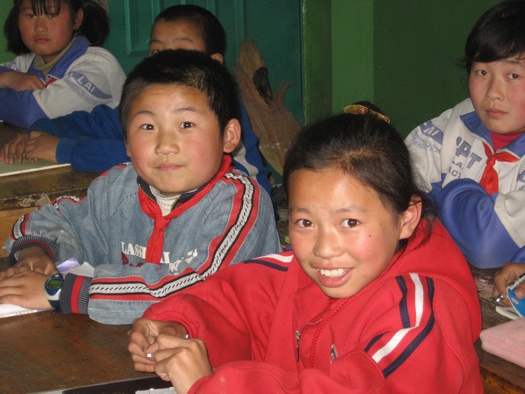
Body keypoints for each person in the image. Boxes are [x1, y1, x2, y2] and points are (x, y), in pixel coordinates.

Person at [128, 109, 483, 393]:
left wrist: (212, 387)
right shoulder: (308, 269)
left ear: (407, 218)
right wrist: (179, 326)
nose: (324, 249)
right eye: (305, 222)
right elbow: (238, 300)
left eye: (350, 223)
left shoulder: (420, 317)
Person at [0, 49, 281, 325]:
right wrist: (37, 253)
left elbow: (196, 288)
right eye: (147, 127)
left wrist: (62, 290)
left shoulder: (240, 202)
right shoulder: (117, 187)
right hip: (128, 351)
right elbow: (55, 219)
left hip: (227, 361)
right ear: (126, 142)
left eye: (186, 124)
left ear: (228, 136)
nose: (165, 145)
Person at [0, 4, 272, 197]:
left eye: (181, 49)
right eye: (156, 50)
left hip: (232, 205)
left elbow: (147, 157)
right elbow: (97, 123)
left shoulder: (219, 102)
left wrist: (64, 149)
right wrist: (41, 132)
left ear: (214, 64)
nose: (165, 59)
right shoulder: (147, 101)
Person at [405, 0, 525, 269]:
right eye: (482, 72)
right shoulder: (453, 124)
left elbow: (485, 246)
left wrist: (441, 192)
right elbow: (391, 195)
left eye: (514, 75)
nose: (493, 92)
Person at [0, 0, 125, 129]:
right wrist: (6, 78)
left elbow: (31, 114)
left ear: (77, 19)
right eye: (30, 15)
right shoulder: (28, 62)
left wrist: (5, 82)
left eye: (52, 14)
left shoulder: (98, 65)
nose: (40, 28)